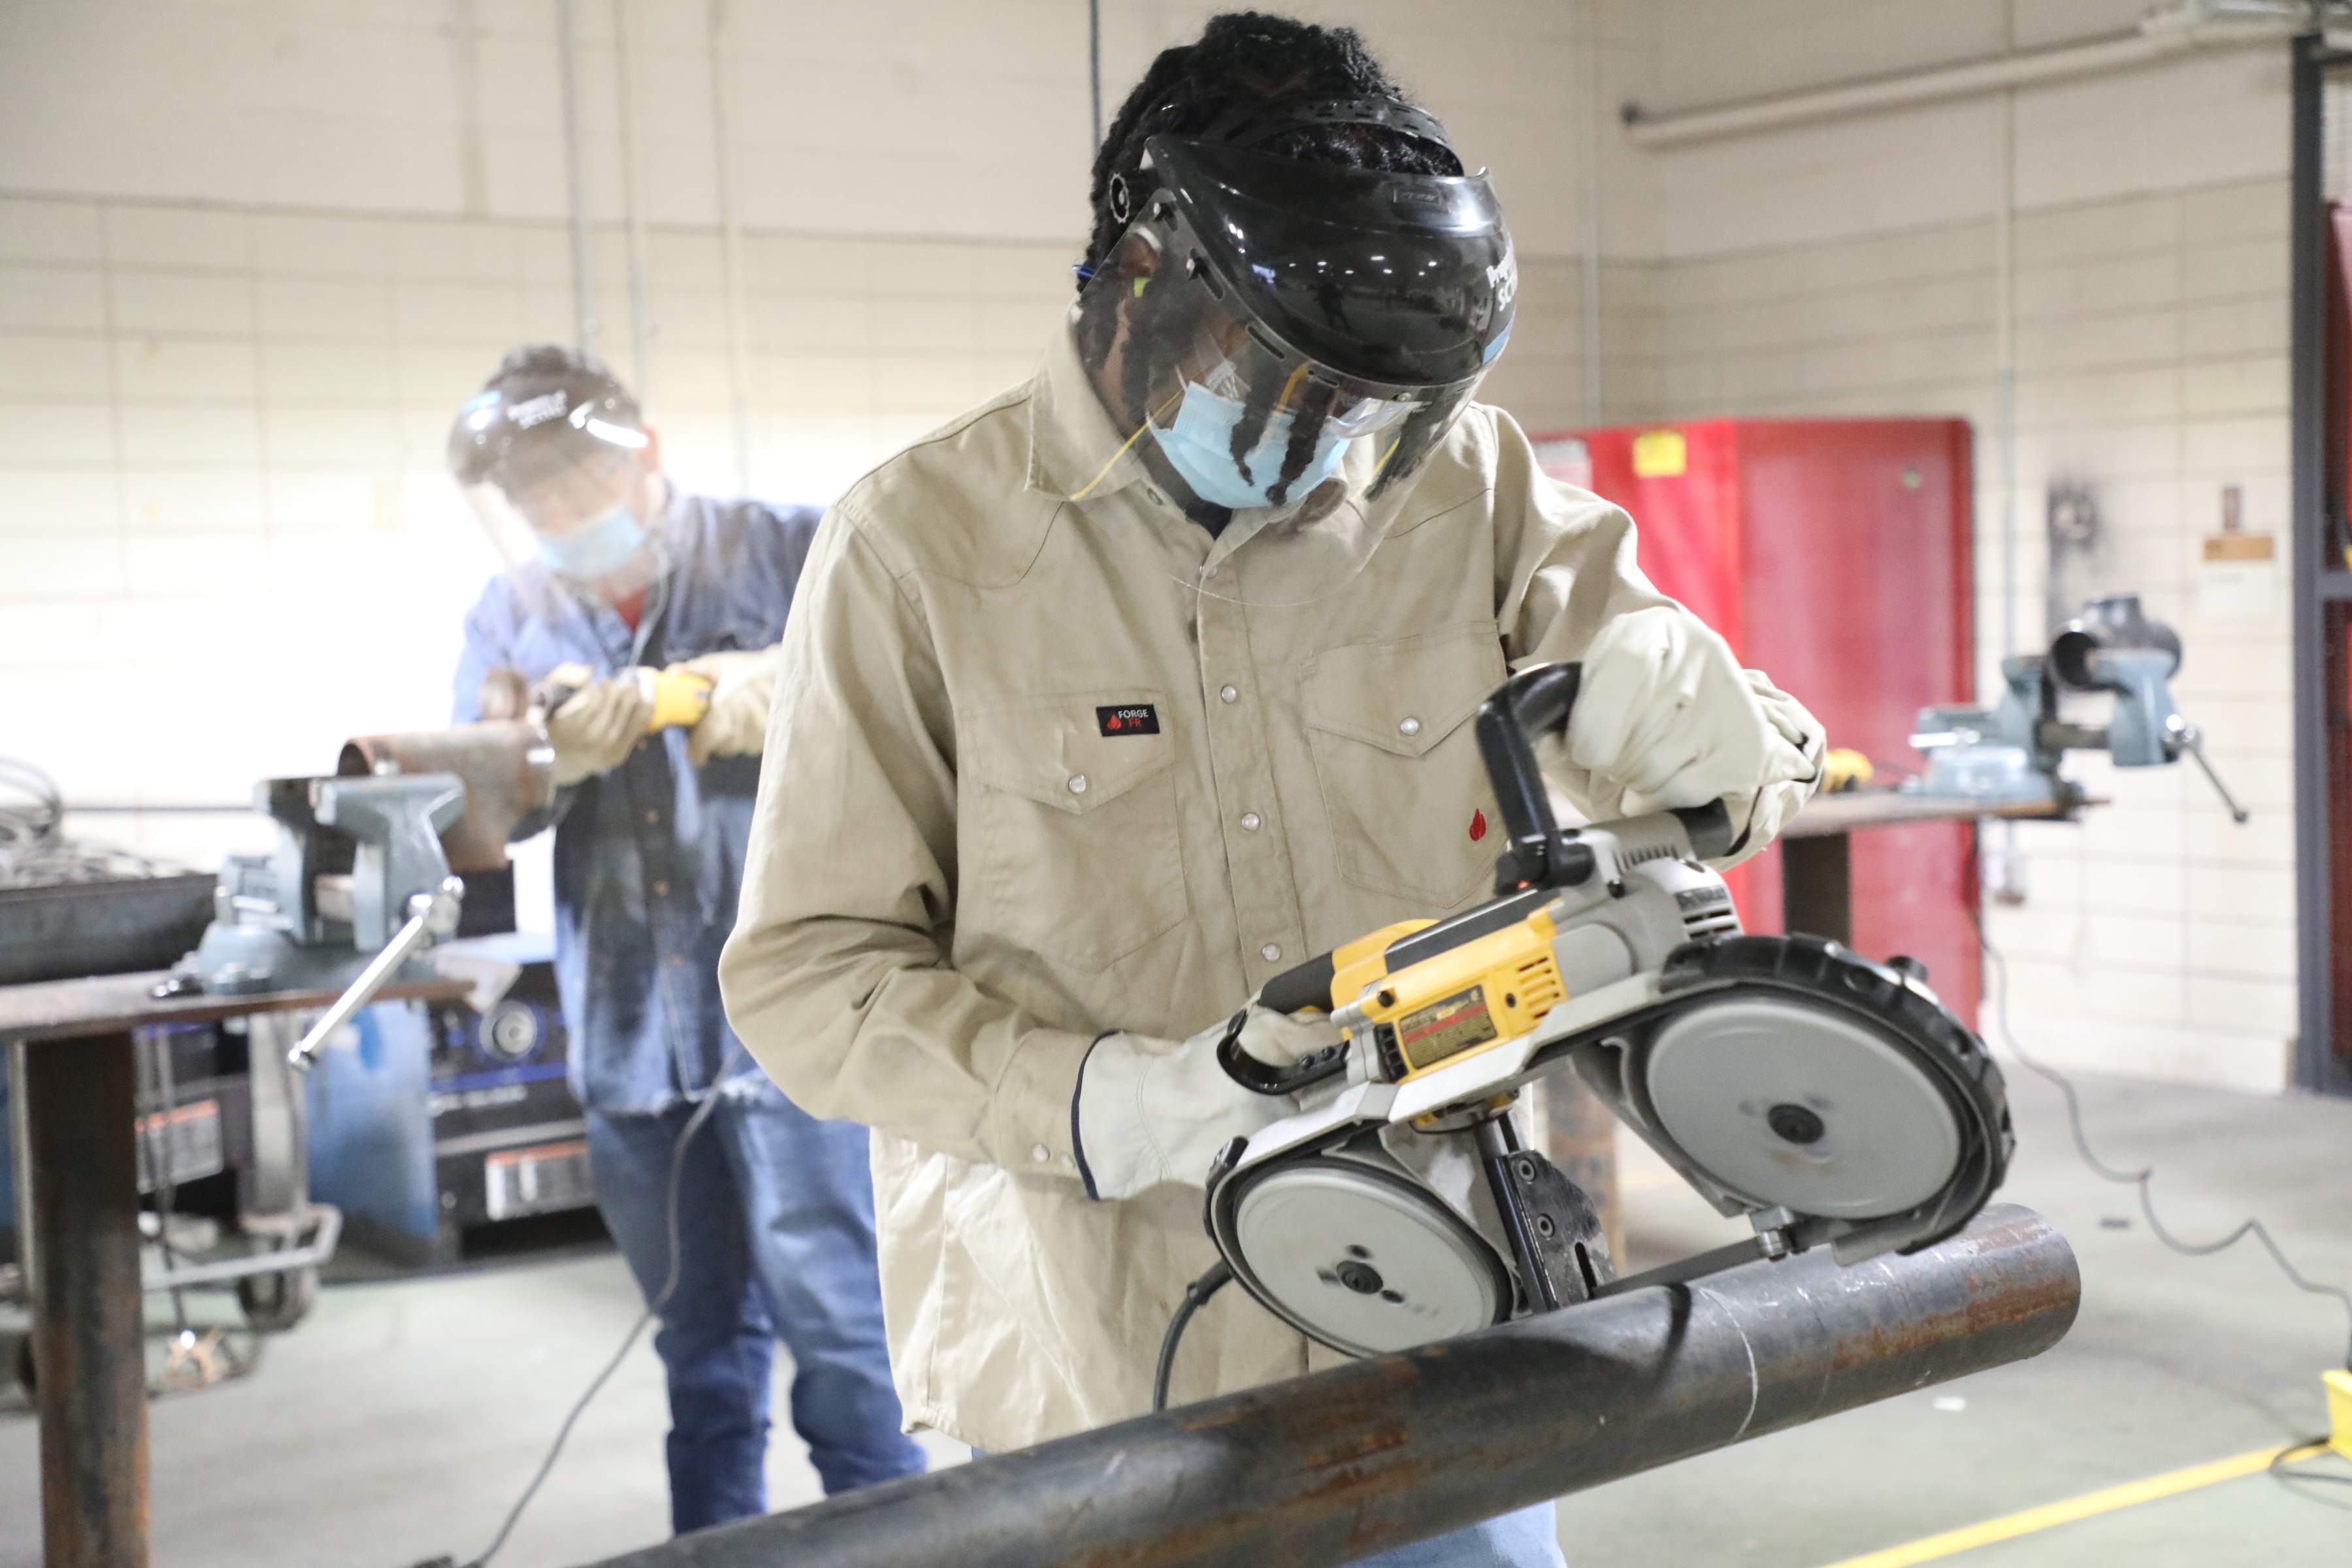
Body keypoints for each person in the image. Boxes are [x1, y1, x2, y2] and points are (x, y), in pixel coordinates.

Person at [719, 15, 1820, 1566]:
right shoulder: (921, 547)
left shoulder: (1467, 488)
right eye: (1293, 382)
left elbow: (1761, 763)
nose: (1336, 447)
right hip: (1095, 1355)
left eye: (1382, 406)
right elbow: (809, 979)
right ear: (1139, 284)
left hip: (1439, 1318)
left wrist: (1724, 739)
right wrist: (1116, 1102)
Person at [446, 346, 924, 1533]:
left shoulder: (788, 547)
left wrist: (719, 693)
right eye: (534, 500)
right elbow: (471, 818)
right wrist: (543, 758)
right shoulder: (513, 610)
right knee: (699, 1354)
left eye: (572, 485)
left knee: (845, 1345)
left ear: (642, 452)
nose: (559, 517)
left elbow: (911, 682)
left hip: (796, 1033)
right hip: (632, 1046)